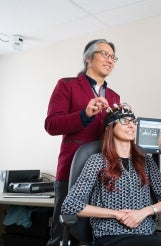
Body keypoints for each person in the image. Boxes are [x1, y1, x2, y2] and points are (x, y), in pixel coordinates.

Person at [61, 103, 161, 246]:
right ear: (110, 128)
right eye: (124, 121)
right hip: (111, 235)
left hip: (147, 233)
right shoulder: (97, 160)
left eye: (133, 121)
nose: (131, 126)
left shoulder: (145, 161)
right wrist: (116, 214)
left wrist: (144, 212)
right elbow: (70, 205)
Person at [44, 39, 121, 246]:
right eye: (104, 54)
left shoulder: (114, 96)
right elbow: (51, 125)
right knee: (63, 234)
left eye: (113, 57)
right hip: (71, 171)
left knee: (94, 234)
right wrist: (85, 114)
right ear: (88, 58)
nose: (110, 60)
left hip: (104, 175)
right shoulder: (67, 85)